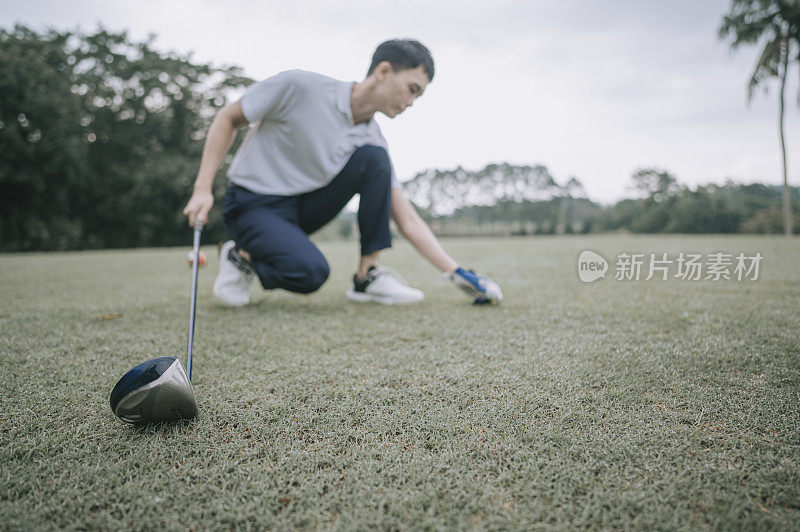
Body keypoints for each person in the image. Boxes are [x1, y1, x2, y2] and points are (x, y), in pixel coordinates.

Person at [183, 39, 502, 307]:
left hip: (299, 208)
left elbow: (407, 218)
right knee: (311, 274)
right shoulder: (300, 86)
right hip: (251, 203)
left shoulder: (373, 138)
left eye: (418, 95)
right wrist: (202, 188)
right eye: (412, 89)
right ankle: (240, 255)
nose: (412, 102)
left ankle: (367, 277)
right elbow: (228, 118)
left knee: (375, 160)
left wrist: (458, 273)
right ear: (384, 71)